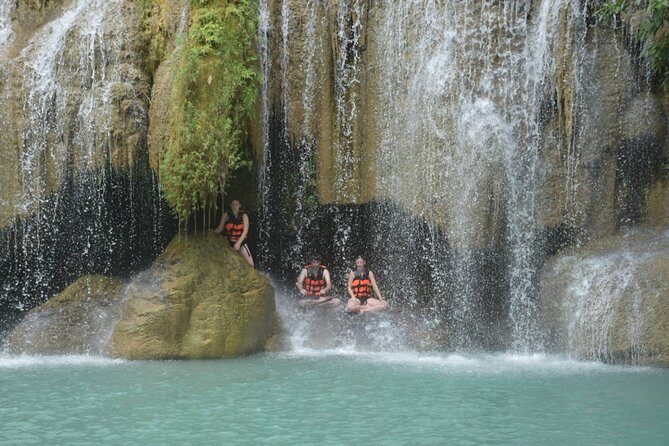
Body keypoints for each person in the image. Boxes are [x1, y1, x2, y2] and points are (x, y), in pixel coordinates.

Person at [215, 199, 254, 267]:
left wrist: (238, 243)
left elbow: (245, 231)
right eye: (232, 204)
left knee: (251, 264)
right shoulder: (226, 215)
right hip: (228, 243)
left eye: (236, 204)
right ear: (230, 206)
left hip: (241, 243)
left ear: (239, 206)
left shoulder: (244, 216)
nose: (234, 206)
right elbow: (220, 228)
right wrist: (211, 232)